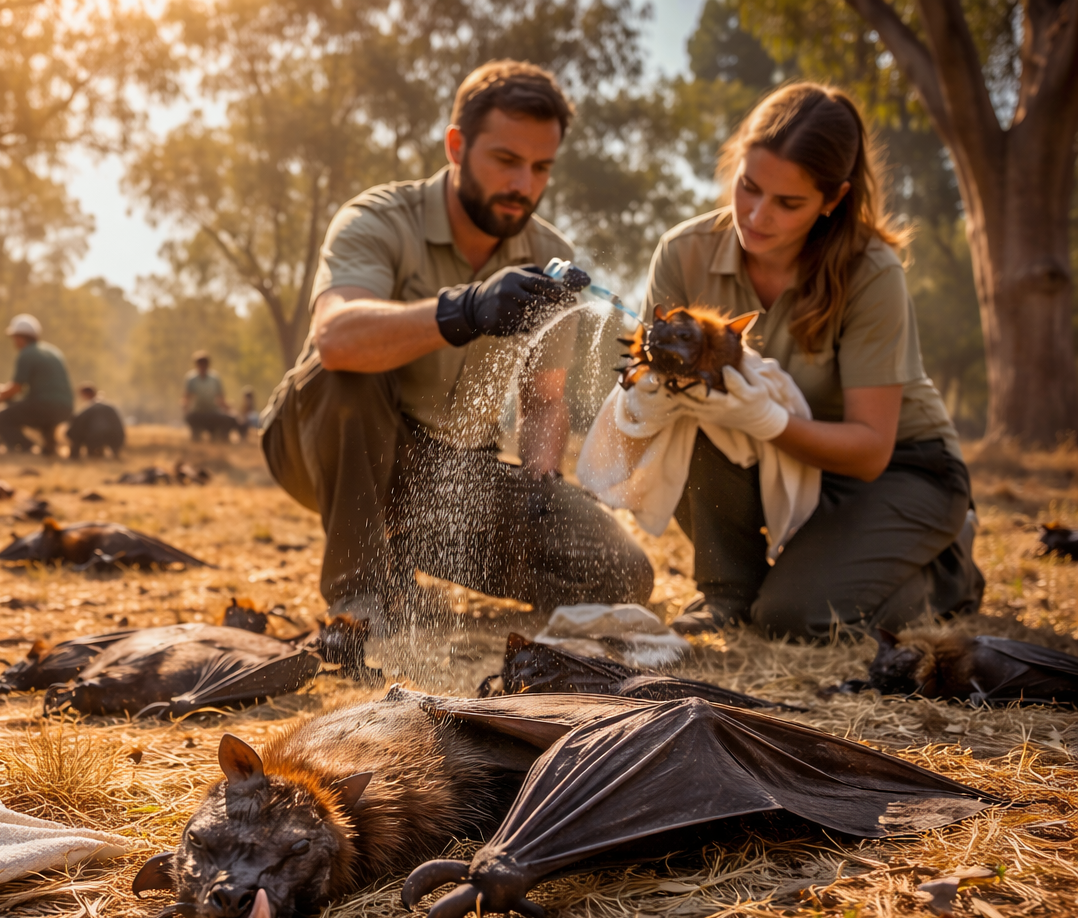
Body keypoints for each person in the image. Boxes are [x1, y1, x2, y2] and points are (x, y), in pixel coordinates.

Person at [260, 60, 653, 622]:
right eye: (506, 160)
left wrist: (541, 487)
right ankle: (364, 599)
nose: (524, 186)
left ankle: (401, 543)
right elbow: (336, 339)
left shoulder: (549, 258)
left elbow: (544, 400)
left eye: (541, 167)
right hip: (327, 444)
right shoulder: (377, 220)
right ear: (455, 147)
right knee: (344, 376)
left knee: (623, 574)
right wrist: (463, 309)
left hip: (448, 475)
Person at [634, 82, 981, 640]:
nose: (756, 214)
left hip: (902, 470)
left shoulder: (872, 272)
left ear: (833, 199)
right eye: (748, 187)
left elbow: (870, 451)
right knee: (693, 417)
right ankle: (729, 591)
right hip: (791, 467)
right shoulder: (683, 251)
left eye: (788, 203)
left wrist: (764, 420)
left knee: (794, 618)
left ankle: (948, 566)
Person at [0, 314, 73, 453]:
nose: (14, 342)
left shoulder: (26, 353)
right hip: (66, 408)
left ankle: (28, 447)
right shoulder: (53, 351)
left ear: (20, 337)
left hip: (44, 406)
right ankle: (49, 446)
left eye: (14, 338)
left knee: (1, 417)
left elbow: (16, 388)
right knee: (38, 411)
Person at [183, 351, 241, 441]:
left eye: (204, 364)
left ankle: (220, 436)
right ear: (196, 365)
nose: (202, 366)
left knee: (232, 418)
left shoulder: (215, 378)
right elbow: (186, 398)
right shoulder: (191, 379)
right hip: (198, 414)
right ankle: (196, 434)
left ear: (208, 365)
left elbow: (221, 399)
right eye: (200, 364)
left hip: (213, 413)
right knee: (190, 417)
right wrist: (186, 410)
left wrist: (231, 410)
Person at [67, 383, 126, 459]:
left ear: (86, 394)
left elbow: (77, 422)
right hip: (117, 436)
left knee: (74, 432)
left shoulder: (90, 407)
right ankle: (104, 454)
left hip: (97, 436)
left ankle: (74, 456)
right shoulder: (108, 405)